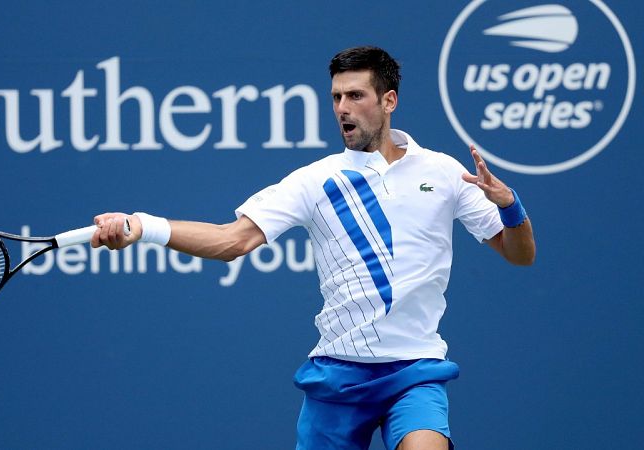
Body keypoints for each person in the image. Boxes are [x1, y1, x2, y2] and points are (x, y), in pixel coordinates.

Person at [90, 46, 535, 450]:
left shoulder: (442, 172)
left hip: (414, 371)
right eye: (336, 97)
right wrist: (143, 226)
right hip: (338, 375)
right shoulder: (315, 181)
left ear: (389, 101)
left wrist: (511, 206)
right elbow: (233, 240)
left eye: (356, 96)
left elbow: (520, 254)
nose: (343, 108)